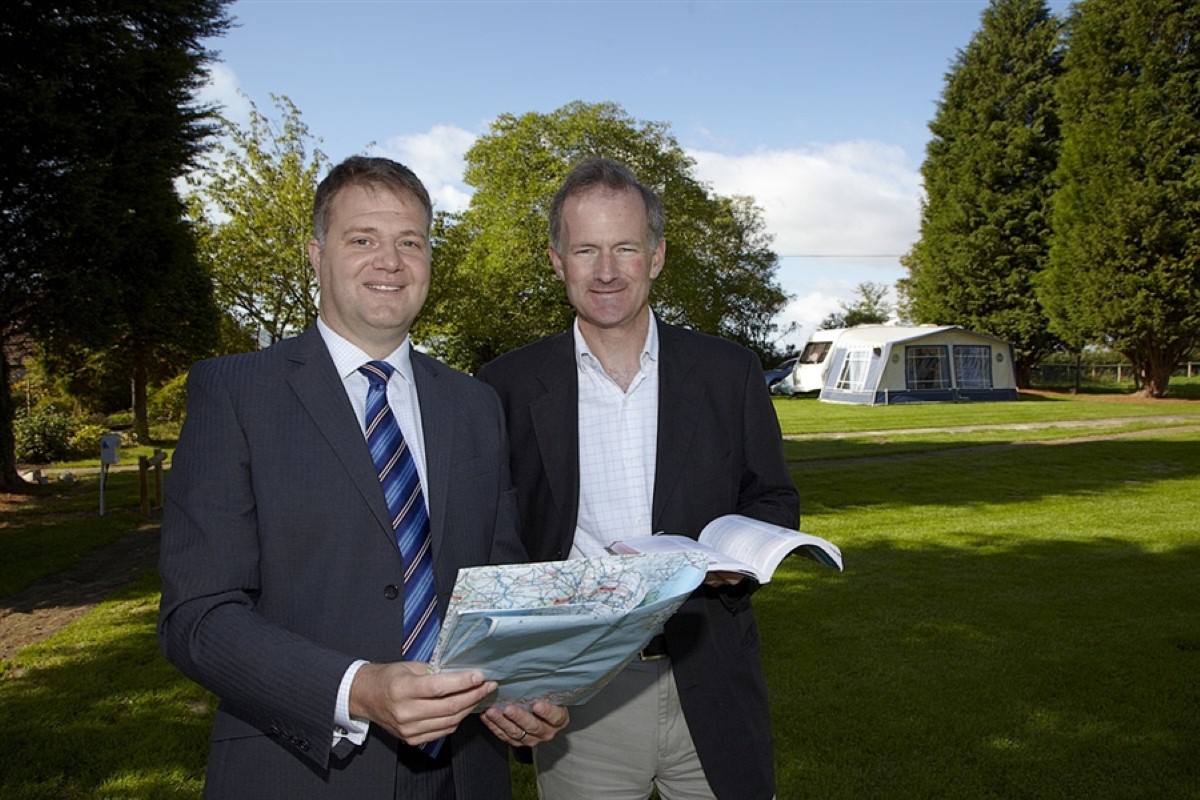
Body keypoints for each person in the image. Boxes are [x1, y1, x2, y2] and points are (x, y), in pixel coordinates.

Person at [158, 155, 567, 800]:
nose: (390, 261)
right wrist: (357, 690)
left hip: (465, 775)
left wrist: (519, 687)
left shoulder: (474, 404)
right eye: (362, 240)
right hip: (301, 772)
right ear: (317, 254)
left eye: (410, 242)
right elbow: (197, 615)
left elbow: (496, 588)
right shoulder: (236, 392)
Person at [477, 157, 800, 800]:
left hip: (710, 677)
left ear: (655, 256)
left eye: (625, 247)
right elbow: (492, 543)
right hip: (577, 699)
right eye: (585, 250)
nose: (605, 271)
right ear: (556, 259)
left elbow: (772, 498)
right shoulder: (504, 387)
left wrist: (742, 555)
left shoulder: (727, 372)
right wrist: (507, 675)